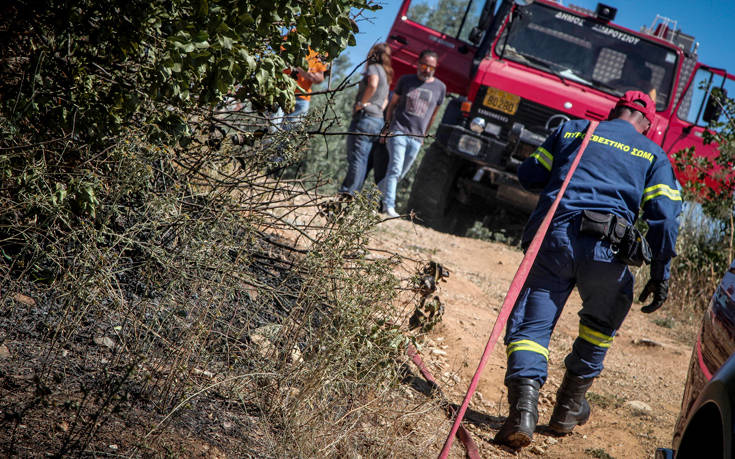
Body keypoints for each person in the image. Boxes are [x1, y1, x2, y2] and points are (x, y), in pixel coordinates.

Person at [494, 91, 682, 449]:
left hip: (554, 240)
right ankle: (567, 409)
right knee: (601, 322)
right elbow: (665, 217)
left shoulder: (574, 130)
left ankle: (523, 414)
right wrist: (661, 272)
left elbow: (530, 174)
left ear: (613, 111)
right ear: (649, 125)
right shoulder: (654, 155)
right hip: (608, 248)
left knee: (531, 327)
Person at [378, 49, 446, 217]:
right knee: (394, 169)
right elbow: (392, 105)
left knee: (400, 173)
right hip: (398, 131)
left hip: (417, 138)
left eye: (431, 67)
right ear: (417, 63)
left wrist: (424, 136)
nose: (427, 69)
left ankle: (368, 196)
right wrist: (387, 127)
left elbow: (433, 115)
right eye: (424, 65)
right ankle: (389, 207)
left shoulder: (440, 88)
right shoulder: (406, 80)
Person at [339, 43, 393, 194]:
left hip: (365, 118)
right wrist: (379, 108)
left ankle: (348, 192)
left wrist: (361, 104)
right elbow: (386, 100)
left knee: (356, 158)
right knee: (362, 159)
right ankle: (353, 192)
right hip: (377, 120)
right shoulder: (386, 73)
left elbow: (373, 84)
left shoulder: (374, 68)